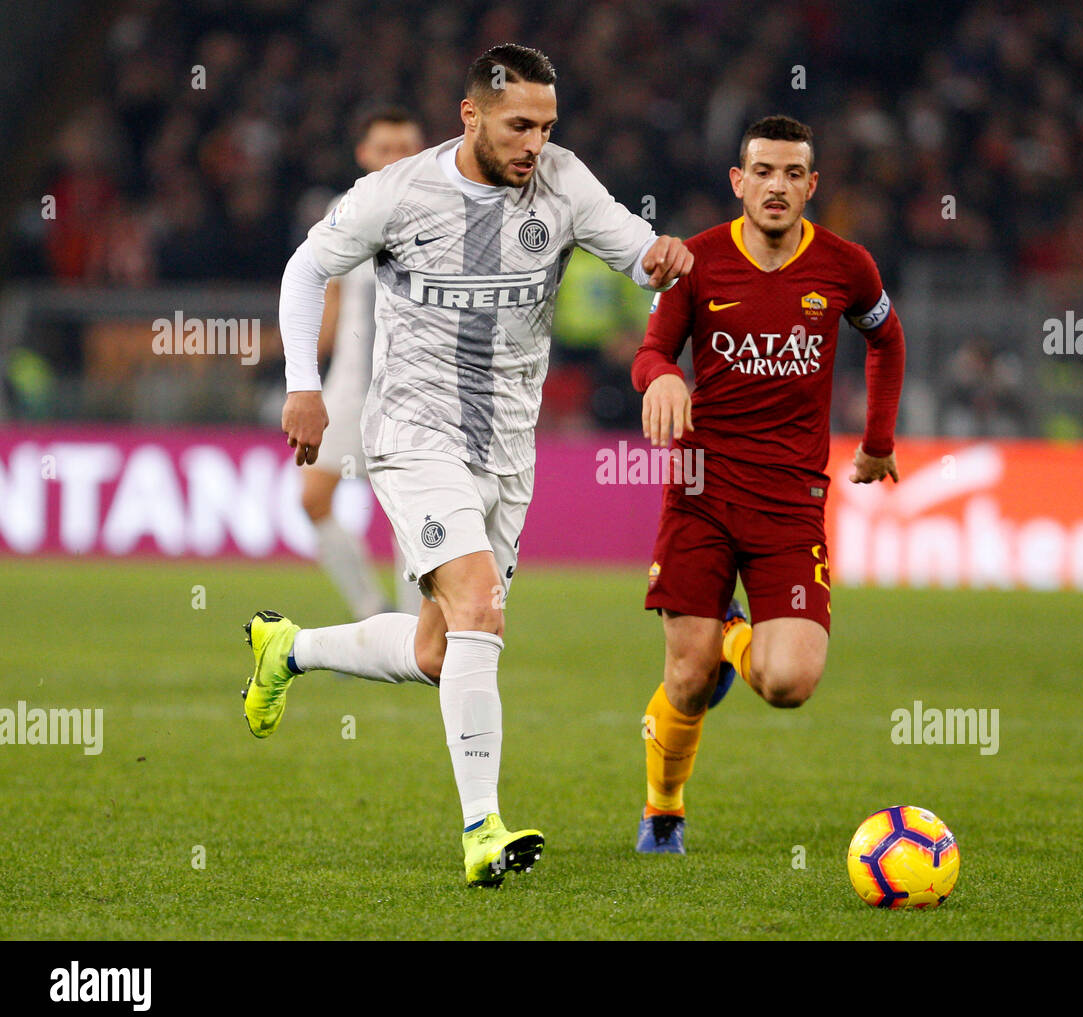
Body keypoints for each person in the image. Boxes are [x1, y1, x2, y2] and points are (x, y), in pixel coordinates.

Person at [243, 43, 693, 886]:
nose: (534, 143)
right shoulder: (400, 191)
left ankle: (289, 648)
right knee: (483, 602)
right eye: (520, 125)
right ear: (471, 116)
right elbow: (308, 267)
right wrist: (304, 387)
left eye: (547, 125)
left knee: (441, 650)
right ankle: (482, 828)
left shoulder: (562, 181)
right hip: (414, 434)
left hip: (508, 451)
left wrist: (663, 258)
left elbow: (638, 253)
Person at [630, 115, 905, 853]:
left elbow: (887, 336)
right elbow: (652, 351)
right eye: (764, 172)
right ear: (738, 180)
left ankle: (735, 637)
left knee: (789, 683)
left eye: (792, 174)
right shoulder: (695, 262)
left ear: (812, 186)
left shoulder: (846, 267)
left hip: (790, 502)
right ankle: (663, 808)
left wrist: (877, 443)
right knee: (685, 680)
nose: (776, 186)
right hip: (701, 492)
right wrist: (660, 378)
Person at [301, 105, 425, 620]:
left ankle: (418, 635)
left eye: (405, 149)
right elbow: (328, 300)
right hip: (351, 387)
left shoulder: (437, 214)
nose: (396, 157)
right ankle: (372, 611)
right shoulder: (342, 211)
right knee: (313, 498)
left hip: (414, 389)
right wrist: (302, 374)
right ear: (365, 154)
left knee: (412, 513)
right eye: (386, 148)